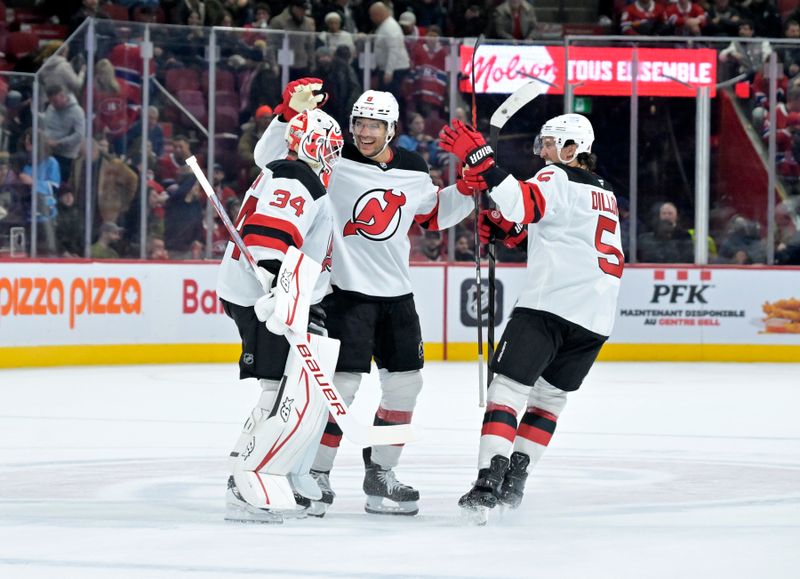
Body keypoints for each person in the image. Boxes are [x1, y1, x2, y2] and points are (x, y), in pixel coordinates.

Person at [253, 80, 476, 517]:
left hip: (398, 298)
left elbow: (431, 214)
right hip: (346, 294)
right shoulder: (332, 159)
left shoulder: (412, 167)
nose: (364, 132)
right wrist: (286, 117)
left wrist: (468, 188)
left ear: (391, 128)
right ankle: (314, 474)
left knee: (405, 386)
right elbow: (270, 161)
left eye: (375, 124)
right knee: (342, 390)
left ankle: (382, 476)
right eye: (359, 122)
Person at [438, 113, 624, 517]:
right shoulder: (605, 192)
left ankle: (488, 481)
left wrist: (482, 160)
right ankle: (516, 482)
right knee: (549, 400)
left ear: (574, 149)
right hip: (595, 319)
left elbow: (523, 203)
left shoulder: (557, 177)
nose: (542, 151)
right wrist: (512, 233)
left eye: (551, 143)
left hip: (550, 306)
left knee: (506, 390)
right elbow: (564, 237)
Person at [216, 106, 344, 522]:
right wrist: (275, 283)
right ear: (313, 145)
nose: (333, 156)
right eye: (330, 147)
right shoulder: (297, 176)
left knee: (287, 389)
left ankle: (269, 469)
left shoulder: (288, 171)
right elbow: (268, 232)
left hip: (274, 293)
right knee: (277, 391)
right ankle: (245, 481)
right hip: (265, 297)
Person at [43, 84, 86, 183]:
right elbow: (47, 124)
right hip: (48, 151)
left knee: (59, 183)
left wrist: (58, 142)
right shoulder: (51, 107)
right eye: (51, 101)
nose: (53, 104)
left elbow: (79, 135)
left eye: (55, 101)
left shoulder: (77, 112)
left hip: (65, 156)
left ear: (63, 96)